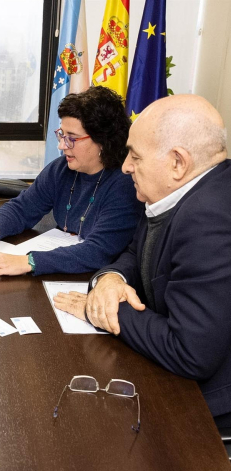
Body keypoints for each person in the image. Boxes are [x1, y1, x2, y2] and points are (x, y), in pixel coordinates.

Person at [53, 94, 231, 429]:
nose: (125, 167)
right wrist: (110, 280)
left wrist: (101, 309)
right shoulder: (176, 193)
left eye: (135, 156)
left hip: (204, 407)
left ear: (177, 163)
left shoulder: (210, 218)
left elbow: (190, 353)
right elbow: (136, 253)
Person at [0, 86, 143, 276]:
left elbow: (98, 251)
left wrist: (28, 261)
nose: (61, 145)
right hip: (65, 267)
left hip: (103, 278)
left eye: (71, 138)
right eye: (61, 134)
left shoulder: (126, 183)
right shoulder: (61, 169)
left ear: (102, 140)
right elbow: (23, 207)